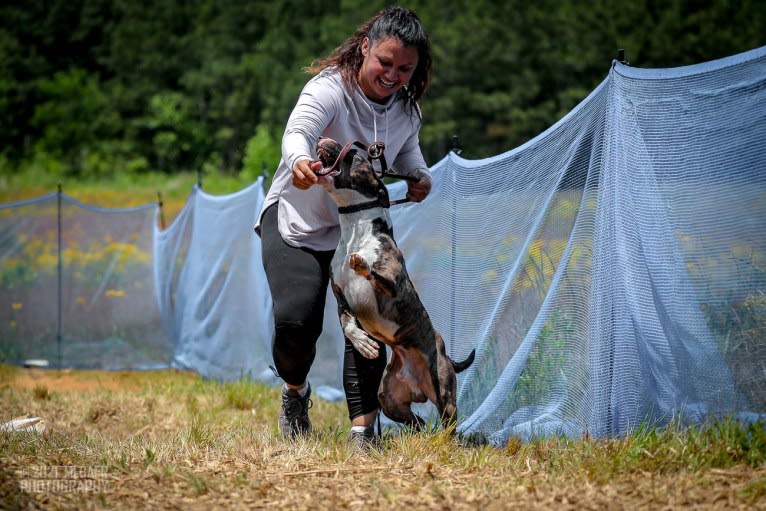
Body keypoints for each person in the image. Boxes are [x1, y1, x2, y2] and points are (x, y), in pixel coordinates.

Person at [254, 5, 433, 446]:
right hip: (299, 223)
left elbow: (407, 151)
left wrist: (419, 175)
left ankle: (363, 432)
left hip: (356, 238)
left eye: (405, 68)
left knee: (370, 324)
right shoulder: (329, 89)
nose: (393, 75)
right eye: (385, 63)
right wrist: (298, 161)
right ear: (365, 47)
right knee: (296, 324)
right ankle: (295, 392)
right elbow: (298, 131)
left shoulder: (406, 111)